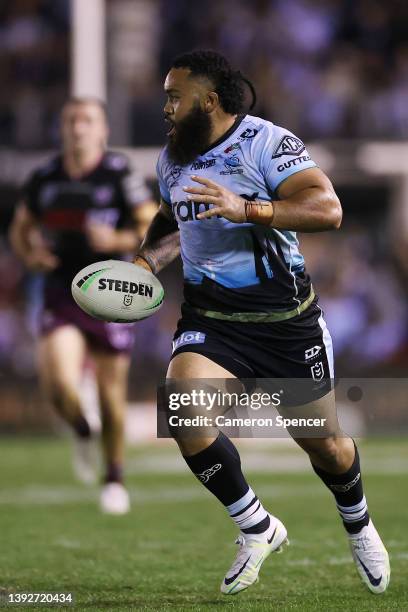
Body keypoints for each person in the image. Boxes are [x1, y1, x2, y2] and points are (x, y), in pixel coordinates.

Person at [133, 50, 390, 594]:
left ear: (208, 99)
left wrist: (248, 208)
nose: (166, 106)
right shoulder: (171, 158)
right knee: (182, 407)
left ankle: (359, 522)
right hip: (212, 321)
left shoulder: (266, 143)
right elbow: (169, 219)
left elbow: (328, 208)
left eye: (174, 96)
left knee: (325, 445)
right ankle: (256, 526)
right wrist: (142, 262)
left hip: (284, 322)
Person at [9, 97, 157, 514]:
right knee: (57, 384)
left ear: (102, 130)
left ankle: (114, 478)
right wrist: (30, 254)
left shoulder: (118, 175)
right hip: (61, 288)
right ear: (62, 128)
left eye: (87, 120)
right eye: (71, 119)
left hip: (111, 288)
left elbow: (147, 226)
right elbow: (22, 227)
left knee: (112, 393)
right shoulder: (46, 177)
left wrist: (115, 242)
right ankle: (81, 426)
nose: (78, 127)